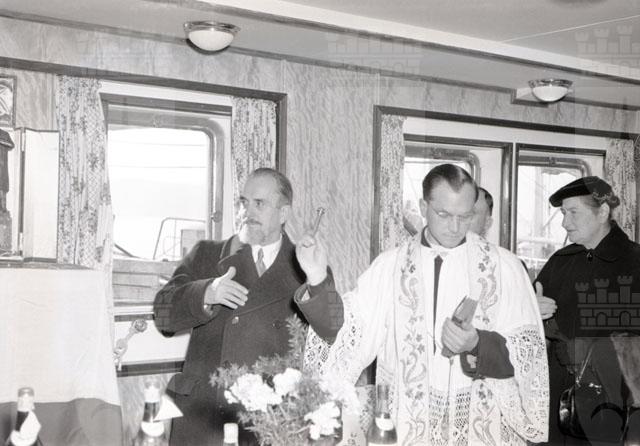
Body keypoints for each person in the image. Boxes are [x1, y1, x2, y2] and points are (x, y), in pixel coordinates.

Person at [303, 164, 549, 445]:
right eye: (443, 214)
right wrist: (317, 277)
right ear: (423, 207)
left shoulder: (504, 268)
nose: (455, 227)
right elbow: (346, 331)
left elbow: (528, 359)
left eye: (465, 216)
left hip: (480, 427)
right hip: (409, 424)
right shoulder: (390, 266)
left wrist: (477, 344)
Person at [154, 167, 343, 446]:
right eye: (244, 202)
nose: (247, 212)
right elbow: (162, 315)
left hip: (269, 422)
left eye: (259, 204)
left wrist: (316, 276)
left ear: (283, 213)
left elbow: (331, 329)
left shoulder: (307, 265)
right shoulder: (207, 254)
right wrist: (206, 293)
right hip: (205, 417)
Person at [535, 176, 640, 445]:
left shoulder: (635, 262)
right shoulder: (560, 261)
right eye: (563, 213)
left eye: (573, 212)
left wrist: (593, 352)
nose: (564, 222)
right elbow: (528, 328)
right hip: (558, 396)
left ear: (602, 212)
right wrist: (534, 312)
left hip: (615, 402)